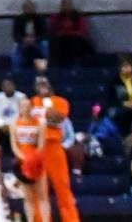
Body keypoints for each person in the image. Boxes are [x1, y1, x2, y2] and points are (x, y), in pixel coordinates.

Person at [30, 75, 78, 222]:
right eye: (39, 83)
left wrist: (46, 108)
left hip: (54, 148)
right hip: (37, 147)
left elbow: (58, 118)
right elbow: (31, 122)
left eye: (45, 82)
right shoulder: (32, 101)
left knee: (62, 187)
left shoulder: (61, 101)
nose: (42, 85)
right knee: (39, 189)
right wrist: (46, 120)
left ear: (51, 85)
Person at [48, 0, 91, 66]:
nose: (66, 7)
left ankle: (76, 64)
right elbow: (53, 31)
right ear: (61, 7)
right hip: (61, 40)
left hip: (75, 39)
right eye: (64, 5)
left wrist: (71, 33)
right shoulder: (56, 18)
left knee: (76, 41)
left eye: (68, 5)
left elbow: (83, 31)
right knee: (55, 41)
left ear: (72, 6)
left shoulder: (79, 17)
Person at [11, 1, 49, 73]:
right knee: (15, 49)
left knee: (45, 44)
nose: (29, 9)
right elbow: (15, 35)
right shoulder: (18, 19)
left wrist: (35, 39)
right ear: (23, 9)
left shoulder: (40, 18)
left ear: (34, 8)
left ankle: (43, 70)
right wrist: (24, 40)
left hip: (37, 41)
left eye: (30, 7)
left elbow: (45, 34)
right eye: (26, 8)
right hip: (23, 42)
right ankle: (17, 72)